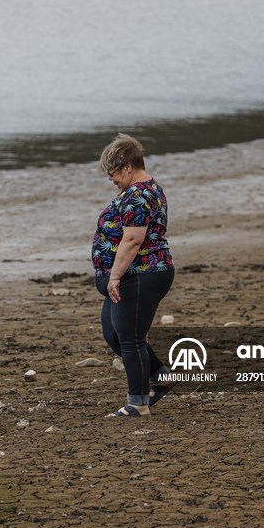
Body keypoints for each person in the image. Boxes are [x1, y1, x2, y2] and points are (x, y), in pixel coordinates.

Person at [92, 133, 175, 417]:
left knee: (130, 338)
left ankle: (138, 404)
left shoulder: (139, 194)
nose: (111, 178)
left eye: (113, 172)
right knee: (114, 333)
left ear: (127, 166)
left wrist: (114, 277)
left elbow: (132, 240)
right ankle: (162, 378)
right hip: (134, 273)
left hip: (142, 273)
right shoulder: (140, 190)